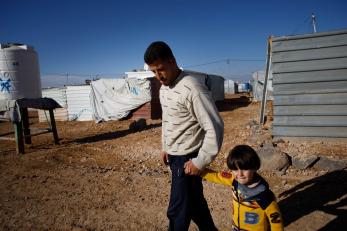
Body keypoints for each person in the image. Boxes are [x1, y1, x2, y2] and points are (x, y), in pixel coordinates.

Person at [144, 41, 224, 231]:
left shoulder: (193, 89)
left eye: (161, 69)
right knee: (195, 205)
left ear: (172, 61)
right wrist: (165, 146)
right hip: (174, 156)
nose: (158, 76)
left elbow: (215, 127)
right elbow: (168, 120)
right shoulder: (164, 88)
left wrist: (200, 161)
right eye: (153, 72)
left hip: (187, 159)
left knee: (177, 210)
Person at [201, 145, 284, 231]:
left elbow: (275, 219)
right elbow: (216, 176)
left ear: (255, 167)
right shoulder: (234, 180)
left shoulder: (263, 195)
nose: (240, 174)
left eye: (244, 169)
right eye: (235, 170)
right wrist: (199, 171)